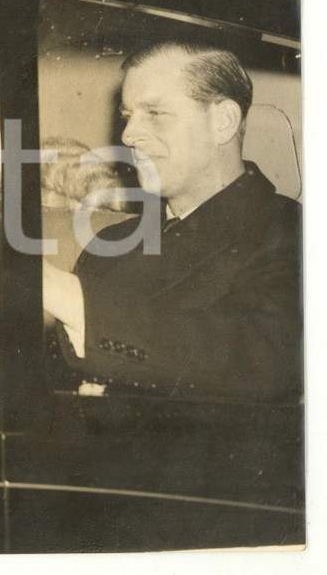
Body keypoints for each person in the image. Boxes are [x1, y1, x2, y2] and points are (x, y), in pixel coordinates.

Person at [42, 41, 303, 401]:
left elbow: (263, 363)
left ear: (223, 122)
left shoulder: (292, 231)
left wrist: (63, 293)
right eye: (128, 115)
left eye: (155, 113)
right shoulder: (114, 241)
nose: (128, 135)